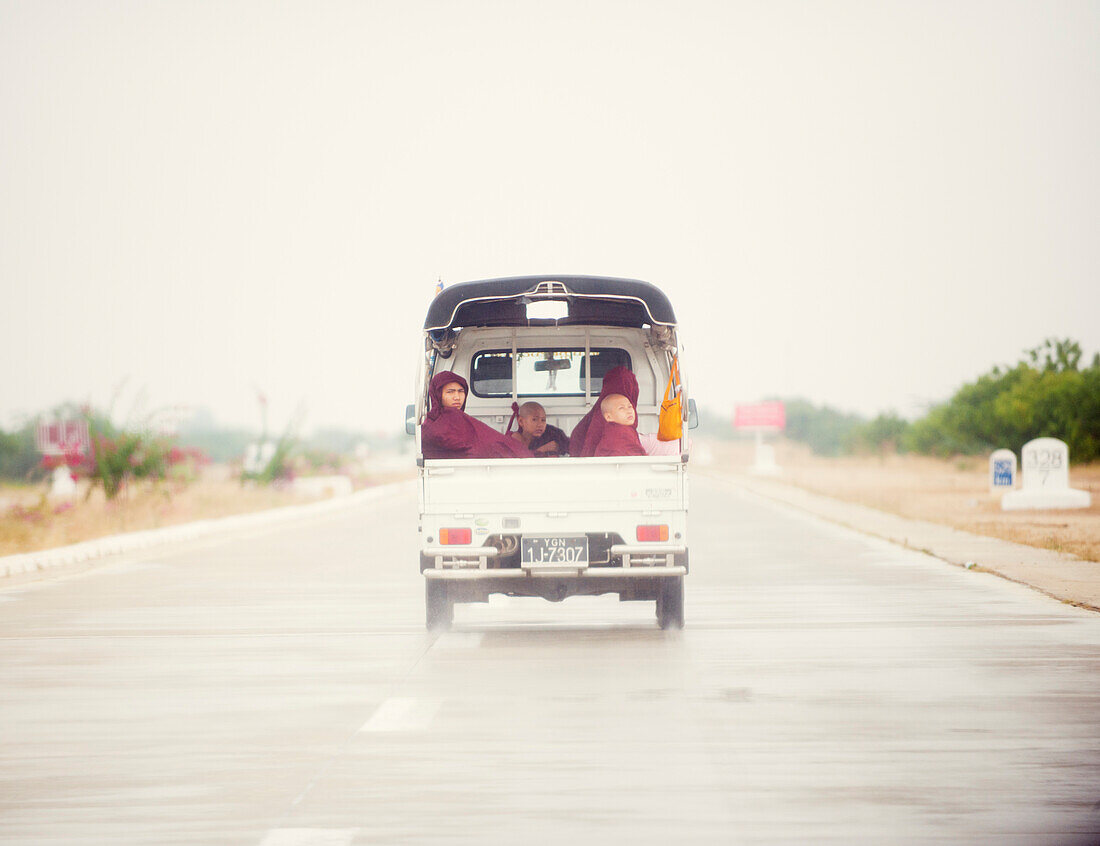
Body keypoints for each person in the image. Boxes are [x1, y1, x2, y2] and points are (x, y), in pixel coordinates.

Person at [421, 372, 530, 459]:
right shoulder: (444, 420)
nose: (457, 397)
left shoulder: (445, 419)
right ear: (438, 394)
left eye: (461, 391)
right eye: (450, 392)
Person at [568, 365, 639, 457]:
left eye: (629, 406)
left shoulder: (603, 412)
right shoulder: (605, 418)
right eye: (621, 408)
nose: (629, 410)